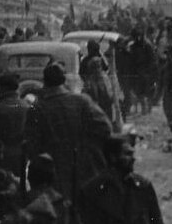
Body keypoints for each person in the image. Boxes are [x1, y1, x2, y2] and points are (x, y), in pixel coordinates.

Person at [77, 135, 172, 224]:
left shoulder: (143, 186)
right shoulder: (92, 191)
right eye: (127, 154)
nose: (133, 158)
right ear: (112, 157)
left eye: (133, 154)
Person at [24, 62, 112, 202]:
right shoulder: (82, 101)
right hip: (85, 167)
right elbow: (105, 128)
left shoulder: (37, 109)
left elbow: (32, 145)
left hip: (54, 171)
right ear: (64, 80)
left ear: (44, 82)